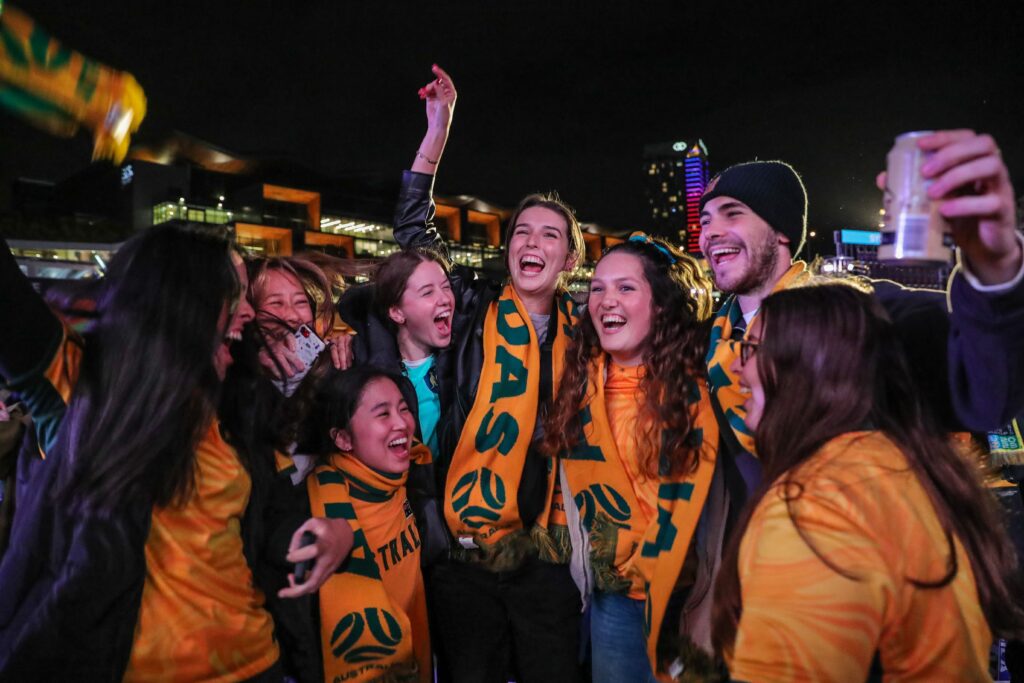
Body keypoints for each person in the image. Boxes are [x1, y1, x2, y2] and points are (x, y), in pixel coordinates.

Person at [0, 225, 348, 681]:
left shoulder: (240, 402)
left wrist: (333, 534)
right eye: (235, 294)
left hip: (258, 665)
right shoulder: (81, 384)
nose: (248, 312)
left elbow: (267, 520)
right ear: (183, 297)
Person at [711, 282, 1024, 680]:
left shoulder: (816, 508)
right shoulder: (898, 467)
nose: (736, 367)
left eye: (753, 348)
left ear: (810, 368)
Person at [386, 65, 586, 681]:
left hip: (545, 557)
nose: (531, 242)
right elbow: (413, 234)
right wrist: (438, 131)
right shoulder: (471, 306)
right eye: (521, 231)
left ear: (569, 258)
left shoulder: (588, 333)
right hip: (464, 557)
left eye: (549, 235)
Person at [699, 132, 1024, 468]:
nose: (710, 232)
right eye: (704, 221)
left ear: (781, 231)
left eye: (732, 213)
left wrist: (995, 267)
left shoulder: (862, 314)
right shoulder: (703, 345)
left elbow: (988, 391)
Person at [544, 234, 737, 681]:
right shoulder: (577, 385)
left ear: (663, 305)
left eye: (626, 287)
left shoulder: (709, 381)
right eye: (597, 288)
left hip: (692, 597)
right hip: (615, 600)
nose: (606, 300)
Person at [299, 366, 432, 683]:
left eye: (403, 409)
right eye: (383, 414)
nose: (402, 423)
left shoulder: (407, 475)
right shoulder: (316, 515)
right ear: (343, 439)